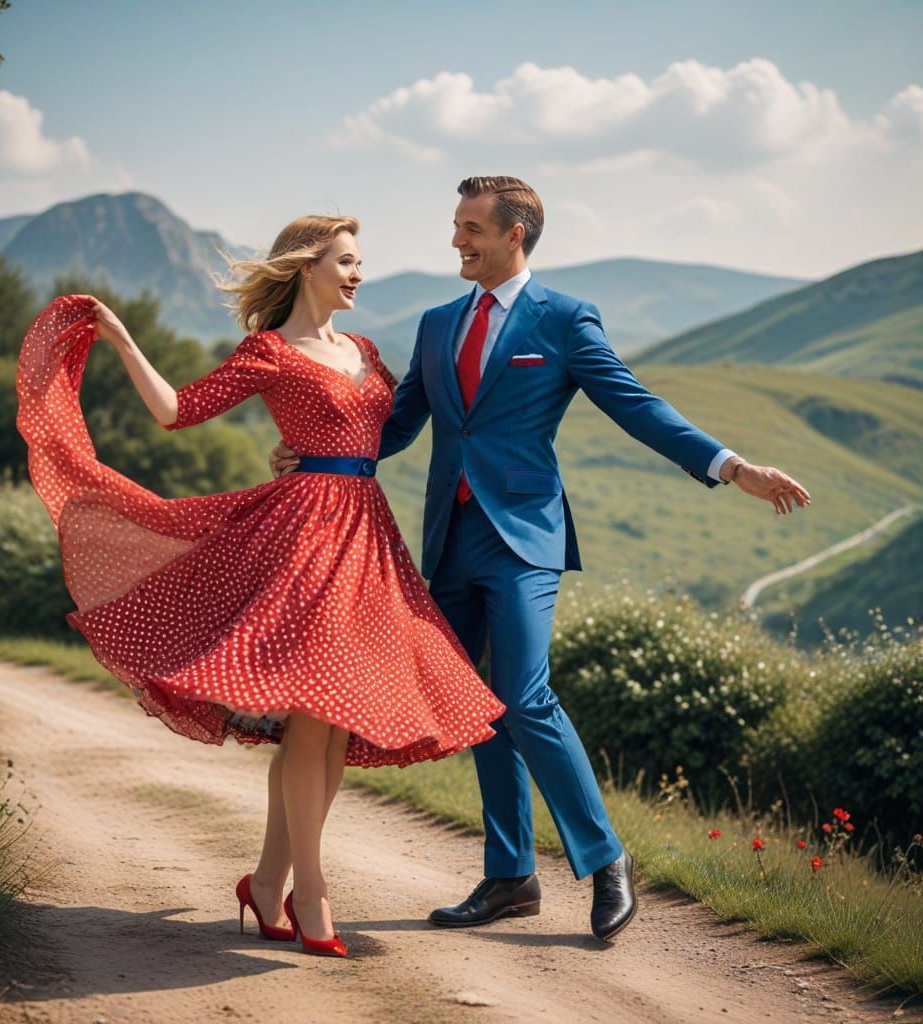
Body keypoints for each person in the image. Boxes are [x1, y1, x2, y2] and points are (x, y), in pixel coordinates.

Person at [272, 177, 810, 941]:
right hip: (450, 542)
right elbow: (394, 426)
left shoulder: (563, 320)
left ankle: (604, 859)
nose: (457, 240)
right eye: (456, 225)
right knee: (472, 705)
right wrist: (313, 453)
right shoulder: (434, 325)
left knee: (522, 696)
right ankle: (509, 876)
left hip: (524, 539)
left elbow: (635, 404)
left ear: (514, 235)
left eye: (471, 229)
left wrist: (730, 465)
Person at [16, 214, 505, 959]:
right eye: (344, 261)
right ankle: (311, 890)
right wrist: (118, 335)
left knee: (333, 727)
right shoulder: (269, 352)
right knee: (315, 713)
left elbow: (403, 421)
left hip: (366, 536)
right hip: (302, 538)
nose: (357, 273)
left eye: (360, 261)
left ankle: (270, 881)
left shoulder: (365, 351)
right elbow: (175, 411)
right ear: (305, 268)